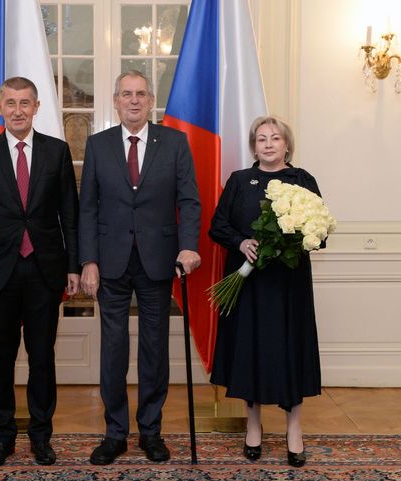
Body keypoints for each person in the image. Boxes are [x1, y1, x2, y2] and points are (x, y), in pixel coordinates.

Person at [79, 70, 201, 465]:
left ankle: (151, 431)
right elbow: (88, 208)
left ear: (151, 101)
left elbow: (189, 201)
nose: (134, 101)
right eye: (126, 94)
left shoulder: (175, 143)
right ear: (115, 100)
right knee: (113, 350)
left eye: (141, 94)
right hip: (110, 263)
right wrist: (89, 260)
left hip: (159, 261)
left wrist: (188, 248)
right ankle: (115, 433)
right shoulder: (98, 145)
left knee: (154, 350)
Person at [0, 76, 80, 468]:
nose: (17, 110)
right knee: (0, 360)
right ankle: (3, 438)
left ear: (36, 106)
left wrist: (73, 267)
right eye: (10, 103)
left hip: (45, 272)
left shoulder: (57, 152)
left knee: (42, 358)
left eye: (25, 103)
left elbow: (70, 216)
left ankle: (42, 438)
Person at [209, 115, 325, 468]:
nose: (269, 143)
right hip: (249, 284)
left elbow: (320, 231)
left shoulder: (302, 180)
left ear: (287, 144)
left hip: (288, 285)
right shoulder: (240, 181)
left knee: (289, 351)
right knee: (251, 352)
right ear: (253, 146)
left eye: (275, 138)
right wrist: (241, 241)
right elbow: (218, 226)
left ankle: (294, 429)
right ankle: (254, 427)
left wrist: (292, 240)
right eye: (262, 139)